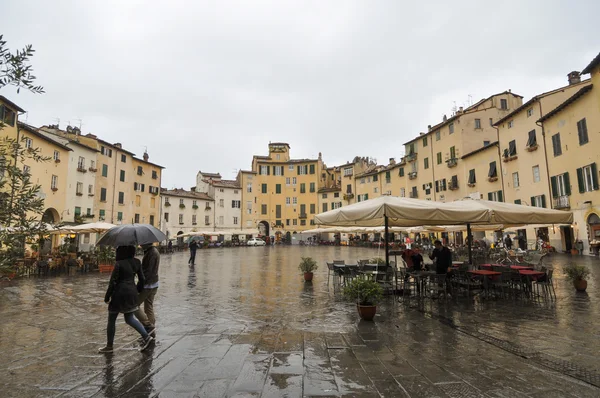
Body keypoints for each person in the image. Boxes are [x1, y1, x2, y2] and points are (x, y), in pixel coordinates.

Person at [99, 246, 153, 353]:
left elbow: (113, 282)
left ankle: (109, 346)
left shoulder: (119, 263)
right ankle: (146, 337)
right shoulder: (137, 262)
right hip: (131, 292)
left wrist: (107, 296)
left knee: (112, 319)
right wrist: (137, 290)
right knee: (129, 318)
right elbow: (142, 279)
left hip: (119, 294)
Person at [135, 243, 161, 338]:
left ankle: (148, 325)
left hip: (148, 284)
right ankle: (151, 329)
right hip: (154, 283)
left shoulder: (151, 253)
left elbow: (148, 271)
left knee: (134, 306)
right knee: (148, 306)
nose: (140, 244)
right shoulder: (153, 251)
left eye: (142, 243)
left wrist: (140, 285)